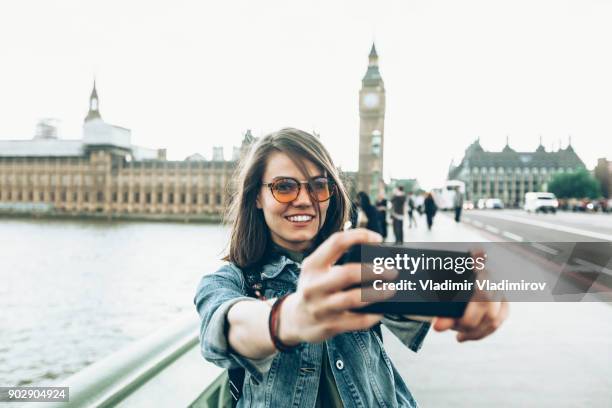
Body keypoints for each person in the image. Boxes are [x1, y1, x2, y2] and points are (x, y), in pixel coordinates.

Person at [193, 128, 508, 407]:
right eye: (285, 187)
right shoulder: (227, 281)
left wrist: (469, 290)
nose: (304, 200)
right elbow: (227, 326)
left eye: (318, 186)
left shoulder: (358, 264)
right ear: (257, 197)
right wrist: (288, 317)